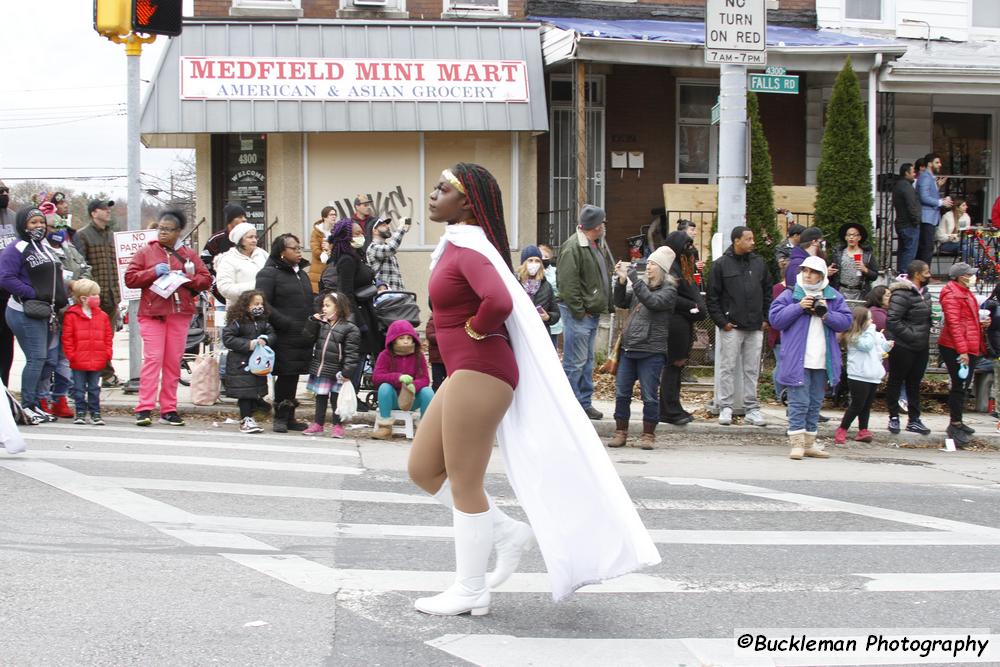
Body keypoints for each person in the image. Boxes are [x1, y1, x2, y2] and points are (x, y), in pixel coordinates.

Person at [408, 162, 659, 616]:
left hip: (481, 372)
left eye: (442, 188)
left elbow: (499, 301)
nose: (433, 194)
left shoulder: (469, 249)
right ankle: (505, 532)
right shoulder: (457, 245)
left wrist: (474, 328)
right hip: (467, 371)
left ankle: (470, 589)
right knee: (423, 470)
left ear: (467, 201)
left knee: (465, 483)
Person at [124, 210, 212, 427]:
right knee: (153, 359)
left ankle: (169, 409)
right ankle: (144, 408)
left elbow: (205, 279)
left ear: (178, 231)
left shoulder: (189, 254)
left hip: (180, 314)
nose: (162, 233)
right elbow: (130, 278)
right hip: (152, 314)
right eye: (160, 228)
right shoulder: (146, 252)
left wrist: (186, 278)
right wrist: (153, 272)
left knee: (173, 362)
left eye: (167, 229)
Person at [769, 256, 852, 459]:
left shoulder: (833, 296)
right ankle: (796, 443)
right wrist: (799, 307)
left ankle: (809, 443)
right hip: (798, 359)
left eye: (813, 272)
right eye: (805, 271)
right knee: (799, 401)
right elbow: (775, 319)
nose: (807, 275)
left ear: (822, 276)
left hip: (822, 359)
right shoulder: (791, 294)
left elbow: (846, 321)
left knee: (815, 401)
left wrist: (826, 314)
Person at [0, 206, 69, 424]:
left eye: (41, 222)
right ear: (23, 225)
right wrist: (33, 294)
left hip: (47, 313)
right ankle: (27, 406)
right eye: (33, 223)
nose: (38, 226)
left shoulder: (43, 246)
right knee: (36, 358)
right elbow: (6, 278)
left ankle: (37, 404)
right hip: (24, 311)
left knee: (44, 359)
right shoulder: (16, 248)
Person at [608, 247, 677, 449]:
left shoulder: (669, 291)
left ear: (662, 269)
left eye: (653, 264)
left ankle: (648, 435)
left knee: (649, 395)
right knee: (622, 392)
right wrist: (621, 281)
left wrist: (633, 279)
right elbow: (621, 302)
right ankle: (620, 431)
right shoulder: (642, 287)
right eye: (647, 263)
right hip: (629, 349)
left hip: (652, 351)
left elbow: (653, 302)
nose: (648, 267)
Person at [707, 226, 773, 426]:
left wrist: (765, 318)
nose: (753, 242)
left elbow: (768, 292)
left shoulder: (759, 263)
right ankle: (725, 406)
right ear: (737, 240)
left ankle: (751, 408)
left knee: (752, 369)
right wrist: (723, 322)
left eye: (753, 238)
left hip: (755, 326)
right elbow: (712, 297)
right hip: (732, 327)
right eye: (748, 239)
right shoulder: (720, 265)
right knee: (728, 366)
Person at [557, 204, 614, 419]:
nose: (605, 225)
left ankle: (583, 403)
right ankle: (570, 407)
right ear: (596, 226)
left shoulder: (590, 244)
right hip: (579, 315)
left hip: (588, 313)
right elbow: (568, 285)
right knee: (575, 362)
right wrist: (580, 311)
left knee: (586, 361)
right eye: (603, 221)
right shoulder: (574, 247)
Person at [254, 233, 315, 432]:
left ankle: (290, 416)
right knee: (286, 374)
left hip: (302, 332)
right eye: (294, 248)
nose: (299, 251)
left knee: (294, 375)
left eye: (299, 248)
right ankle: (280, 416)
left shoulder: (301, 273)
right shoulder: (268, 273)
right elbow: (263, 303)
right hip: (283, 333)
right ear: (282, 252)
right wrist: (284, 322)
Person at [658, 231, 705, 426]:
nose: (691, 249)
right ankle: (668, 409)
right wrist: (692, 306)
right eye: (687, 245)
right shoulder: (670, 268)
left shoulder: (685, 267)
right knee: (673, 365)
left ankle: (674, 405)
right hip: (675, 323)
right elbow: (670, 296)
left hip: (685, 324)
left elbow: (692, 288)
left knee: (679, 366)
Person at [328, 218, 380, 390]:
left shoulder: (357, 255)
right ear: (346, 237)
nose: (361, 236)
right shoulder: (347, 260)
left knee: (363, 354)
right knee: (356, 356)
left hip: (365, 309)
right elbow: (346, 293)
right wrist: (359, 322)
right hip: (357, 314)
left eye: (361, 233)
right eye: (356, 234)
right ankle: (351, 393)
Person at [938, 263, 986, 447]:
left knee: (964, 385)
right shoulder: (952, 294)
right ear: (960, 276)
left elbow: (966, 320)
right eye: (969, 274)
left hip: (969, 343)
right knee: (959, 385)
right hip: (956, 347)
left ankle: (958, 419)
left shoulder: (964, 292)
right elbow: (954, 325)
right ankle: (955, 423)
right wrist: (962, 351)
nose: (972, 277)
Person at [74, 199, 121, 386]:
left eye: (109, 208)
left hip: (112, 296)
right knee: (93, 339)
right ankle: (101, 375)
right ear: (94, 213)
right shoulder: (83, 235)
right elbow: (80, 266)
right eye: (104, 209)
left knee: (106, 338)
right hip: (93, 297)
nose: (108, 211)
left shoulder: (112, 236)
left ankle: (105, 374)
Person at [303, 291, 361, 438]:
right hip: (321, 367)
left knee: (336, 398)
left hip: (338, 371)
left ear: (339, 307)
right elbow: (307, 338)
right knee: (320, 396)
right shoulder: (322, 324)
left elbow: (352, 353)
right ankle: (318, 423)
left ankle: (338, 426)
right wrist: (312, 322)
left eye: (327, 305)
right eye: (323, 305)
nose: (324, 309)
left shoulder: (350, 328)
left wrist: (347, 372)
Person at [884, 260, 933, 436]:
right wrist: (911, 335)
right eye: (926, 272)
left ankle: (914, 419)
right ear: (917, 275)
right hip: (904, 346)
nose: (929, 275)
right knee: (896, 380)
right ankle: (894, 417)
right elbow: (893, 320)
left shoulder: (924, 293)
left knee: (914, 383)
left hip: (921, 345)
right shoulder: (901, 293)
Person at [835, 306, 893, 444]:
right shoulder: (854, 336)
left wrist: (886, 346)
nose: (872, 321)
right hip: (858, 375)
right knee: (857, 404)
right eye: (869, 319)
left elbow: (877, 349)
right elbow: (866, 346)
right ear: (860, 321)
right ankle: (842, 428)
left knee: (866, 405)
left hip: (873, 374)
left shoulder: (871, 334)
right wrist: (872, 330)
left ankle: (863, 430)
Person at [221, 290, 275, 434]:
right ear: (246, 305)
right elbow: (228, 338)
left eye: (261, 304)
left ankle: (249, 417)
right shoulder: (237, 322)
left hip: (256, 363)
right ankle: (245, 419)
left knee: (254, 391)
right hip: (241, 363)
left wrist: (265, 339)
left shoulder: (263, 321)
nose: (259, 307)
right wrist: (248, 344)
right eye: (255, 304)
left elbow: (272, 334)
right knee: (245, 393)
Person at [61, 279, 112, 426]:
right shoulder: (72, 315)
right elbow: (67, 337)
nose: (97, 298)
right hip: (79, 360)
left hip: (97, 358)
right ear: (83, 298)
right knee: (78, 388)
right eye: (94, 295)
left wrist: (107, 353)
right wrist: (71, 355)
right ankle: (80, 412)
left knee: (95, 388)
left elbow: (108, 336)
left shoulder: (102, 316)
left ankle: (95, 413)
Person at [371, 319, 433, 439]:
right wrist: (398, 377)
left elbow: (424, 378)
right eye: (401, 338)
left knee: (428, 391)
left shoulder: (418, 356)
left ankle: (424, 428)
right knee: (384, 387)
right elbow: (377, 377)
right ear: (393, 339)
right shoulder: (385, 355)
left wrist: (414, 385)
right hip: (392, 399)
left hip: (412, 399)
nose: (405, 341)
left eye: (409, 338)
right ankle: (385, 427)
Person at [215, 222, 268, 304]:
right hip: (239, 311)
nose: (254, 240)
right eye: (250, 237)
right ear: (240, 240)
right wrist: (256, 286)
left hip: (264, 309)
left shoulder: (263, 255)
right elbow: (225, 288)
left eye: (255, 237)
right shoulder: (228, 260)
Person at [916, 153, 953, 264]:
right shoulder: (925, 177)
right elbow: (924, 197)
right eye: (937, 162)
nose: (940, 165)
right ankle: (924, 274)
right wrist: (941, 202)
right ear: (929, 164)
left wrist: (937, 187)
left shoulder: (929, 177)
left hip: (930, 217)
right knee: (927, 247)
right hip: (926, 217)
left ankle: (923, 272)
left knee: (926, 246)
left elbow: (928, 194)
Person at [516, 246, 559, 337]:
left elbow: (556, 313)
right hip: (520, 333)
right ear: (524, 263)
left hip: (540, 333)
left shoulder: (546, 286)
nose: (534, 264)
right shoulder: (515, 284)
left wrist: (548, 317)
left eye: (537, 261)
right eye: (530, 260)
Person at [829, 222, 879, 301]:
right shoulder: (837, 254)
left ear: (859, 238)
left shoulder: (867, 254)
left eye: (854, 235)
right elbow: (831, 274)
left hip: (861, 293)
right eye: (849, 235)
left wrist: (865, 269)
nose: (851, 237)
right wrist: (828, 273)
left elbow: (875, 276)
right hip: (840, 292)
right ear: (845, 237)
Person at [367, 215, 413, 292]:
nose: (388, 227)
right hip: (385, 298)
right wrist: (401, 228)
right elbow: (391, 248)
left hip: (397, 296)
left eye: (387, 224)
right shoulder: (373, 248)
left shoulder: (385, 248)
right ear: (374, 231)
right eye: (383, 225)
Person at [892, 163, 922, 274]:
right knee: (909, 251)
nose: (915, 174)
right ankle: (905, 274)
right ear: (906, 173)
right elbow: (911, 205)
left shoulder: (898, 185)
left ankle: (901, 272)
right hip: (909, 224)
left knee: (903, 250)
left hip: (901, 223)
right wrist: (916, 220)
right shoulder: (906, 187)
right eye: (913, 171)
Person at [0, 181, 16, 387]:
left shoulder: (14, 218)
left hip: (10, 292)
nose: (4, 194)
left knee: (6, 342)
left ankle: (4, 386)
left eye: (6, 191)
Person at [537, 244, 563, 346]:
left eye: (546, 257)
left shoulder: (555, 272)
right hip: (537, 321)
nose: (543, 259)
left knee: (552, 346)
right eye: (541, 256)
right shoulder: (532, 272)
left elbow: (560, 288)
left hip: (552, 316)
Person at [308, 206, 337, 292]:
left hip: (331, 269)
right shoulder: (316, 232)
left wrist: (330, 249)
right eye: (331, 214)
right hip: (318, 269)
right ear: (324, 217)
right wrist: (323, 254)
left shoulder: (336, 232)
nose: (334, 216)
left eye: (335, 214)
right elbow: (315, 250)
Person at [424, 313, 446, 391]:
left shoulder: (450, 322)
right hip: (436, 359)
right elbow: (430, 336)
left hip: (448, 358)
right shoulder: (432, 322)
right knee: (437, 382)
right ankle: (434, 397)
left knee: (448, 381)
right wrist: (444, 336)